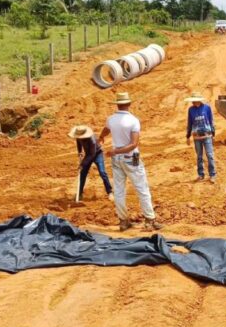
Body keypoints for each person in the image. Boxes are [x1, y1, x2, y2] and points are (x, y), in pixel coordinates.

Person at [98, 92, 163, 231]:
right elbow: (134, 144)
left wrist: (101, 138)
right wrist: (115, 151)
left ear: (117, 104)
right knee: (142, 188)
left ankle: (123, 221)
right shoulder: (133, 120)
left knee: (119, 190)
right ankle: (150, 220)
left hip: (116, 159)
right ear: (129, 104)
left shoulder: (111, 119)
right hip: (132, 156)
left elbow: (105, 131)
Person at [68, 125, 113, 201]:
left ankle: (110, 192)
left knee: (102, 172)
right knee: (82, 174)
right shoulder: (79, 137)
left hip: (97, 154)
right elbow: (78, 142)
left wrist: (82, 164)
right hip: (88, 154)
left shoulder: (92, 140)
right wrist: (80, 151)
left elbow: (92, 154)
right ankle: (79, 194)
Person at [185, 92, 217, 183]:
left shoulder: (207, 108)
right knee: (199, 156)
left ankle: (212, 175)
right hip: (196, 137)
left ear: (199, 100)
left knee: (210, 155)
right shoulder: (191, 110)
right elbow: (190, 123)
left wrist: (213, 134)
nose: (193, 102)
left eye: (194, 101)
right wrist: (188, 136)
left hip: (207, 135)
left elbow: (211, 121)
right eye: (192, 101)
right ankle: (201, 174)